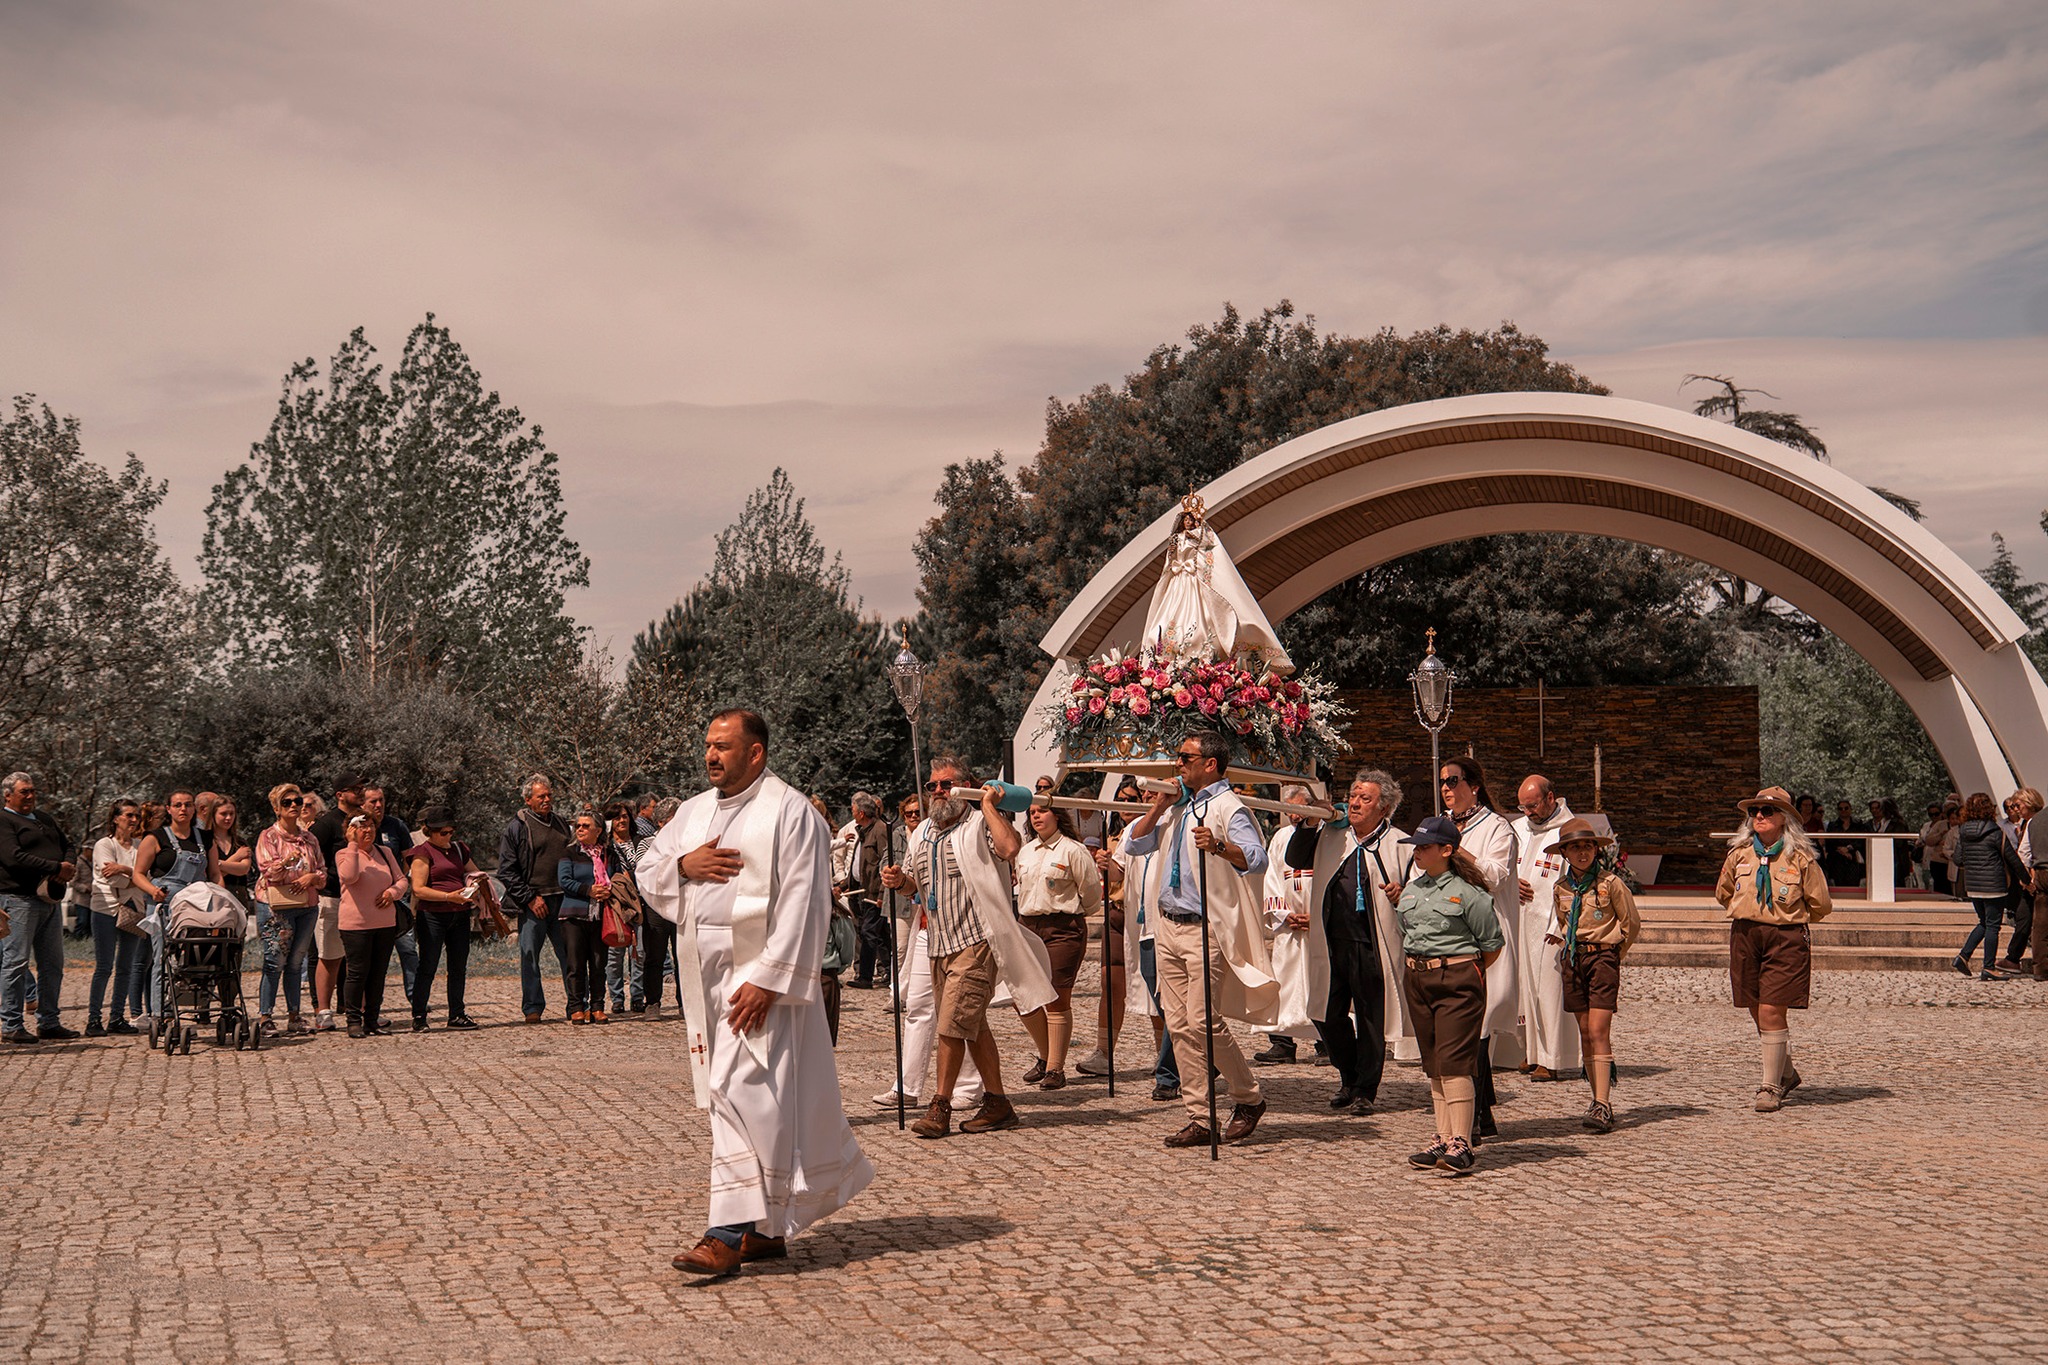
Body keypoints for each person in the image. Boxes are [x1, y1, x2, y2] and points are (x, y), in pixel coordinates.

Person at [638, 709, 873, 1279]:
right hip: (704, 974)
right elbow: (649, 870)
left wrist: (771, 977)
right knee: (749, 1096)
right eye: (708, 745)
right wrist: (684, 865)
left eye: (723, 746)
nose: (711, 755)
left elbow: (807, 900)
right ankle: (765, 1230)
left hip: (759, 976)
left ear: (756, 753)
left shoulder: (792, 812)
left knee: (741, 1092)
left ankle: (723, 1234)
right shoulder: (692, 812)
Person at [879, 756, 1056, 1140]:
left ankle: (939, 1105)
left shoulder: (979, 823)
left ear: (965, 787)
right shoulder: (922, 832)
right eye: (933, 786)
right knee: (972, 1026)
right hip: (938, 942)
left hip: (977, 940)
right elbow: (916, 888)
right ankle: (998, 1103)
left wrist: (989, 805)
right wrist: (899, 881)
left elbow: (1010, 849)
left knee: (951, 1025)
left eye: (947, 785)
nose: (939, 792)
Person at [1122, 731, 1278, 1148]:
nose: (1178, 763)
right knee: (1178, 1024)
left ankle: (1248, 1097)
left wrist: (1221, 846)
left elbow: (1257, 858)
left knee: (1202, 1020)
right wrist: (1159, 804)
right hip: (1168, 923)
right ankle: (1199, 1115)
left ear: (1210, 763)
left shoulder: (1230, 807)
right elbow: (1135, 844)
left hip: (1204, 927)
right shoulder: (1178, 807)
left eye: (1184, 756)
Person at [1283, 769, 1418, 1114]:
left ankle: (1365, 1090)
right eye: (1354, 796)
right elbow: (1295, 859)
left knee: (1372, 1017)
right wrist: (1312, 821)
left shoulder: (1399, 844)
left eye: (1365, 798)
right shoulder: (1332, 834)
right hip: (1331, 941)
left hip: (1373, 943)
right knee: (1326, 1014)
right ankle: (1349, 1075)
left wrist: (1402, 893)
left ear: (1384, 808)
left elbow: (1417, 891)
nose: (1355, 803)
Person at [1395, 814, 1504, 1177]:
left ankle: (1462, 1143)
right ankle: (1443, 1137)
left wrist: (1460, 969)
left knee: (1456, 1061)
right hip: (1419, 979)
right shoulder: (1412, 890)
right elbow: (1406, 930)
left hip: (1458, 978)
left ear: (1447, 850)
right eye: (1415, 848)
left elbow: (1491, 943)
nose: (1417, 854)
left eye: (1424, 848)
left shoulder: (1471, 894)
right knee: (1435, 1063)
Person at [1716, 786, 1832, 1113]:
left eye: (1768, 812)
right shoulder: (1739, 855)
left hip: (1785, 938)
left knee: (1770, 1010)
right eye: (1755, 812)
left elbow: (1820, 904)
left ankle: (1770, 1086)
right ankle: (1786, 1071)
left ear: (1785, 819)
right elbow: (1723, 893)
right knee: (1754, 1006)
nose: (1760, 817)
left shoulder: (1800, 858)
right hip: (1746, 934)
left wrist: (1786, 917)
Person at [1543, 817, 1640, 1133]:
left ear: (1595, 850)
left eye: (1587, 846)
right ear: (1565, 853)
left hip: (1602, 960)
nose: (1582, 852)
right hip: (1574, 960)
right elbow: (1562, 922)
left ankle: (1604, 1104)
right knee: (1585, 1031)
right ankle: (1595, 1099)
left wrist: (1612, 956)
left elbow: (1631, 924)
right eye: (1575, 847)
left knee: (1599, 1030)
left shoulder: (1610, 884)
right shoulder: (1561, 888)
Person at [1438, 755, 1518, 1133]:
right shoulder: (1442, 826)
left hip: (1486, 937)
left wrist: (1455, 847)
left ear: (1475, 785)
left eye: (1453, 781)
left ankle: (1474, 1118)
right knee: (1464, 1027)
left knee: (1479, 1025)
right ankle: (1481, 1116)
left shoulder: (1498, 827)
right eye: (1443, 782)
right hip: (1449, 935)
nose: (1446, 789)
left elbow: (1494, 876)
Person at [1013, 803, 1102, 1090]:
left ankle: (1055, 1068)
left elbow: (1091, 894)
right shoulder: (1025, 852)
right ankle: (1044, 1055)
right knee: (1023, 996)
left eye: (1042, 811)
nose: (1036, 816)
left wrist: (1070, 915)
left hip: (1063, 928)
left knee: (1056, 998)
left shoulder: (1073, 850)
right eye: (1032, 812)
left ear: (1058, 815)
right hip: (1029, 926)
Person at [1509, 774, 1580, 1081]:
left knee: (1549, 993)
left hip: (1551, 923)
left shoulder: (1570, 830)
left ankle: (1553, 1059)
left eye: (1533, 806)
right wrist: (1511, 884)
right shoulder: (1517, 827)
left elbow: (1575, 882)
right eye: (1523, 807)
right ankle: (1531, 1052)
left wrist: (1560, 924)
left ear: (1551, 798)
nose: (1528, 813)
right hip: (1521, 918)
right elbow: (1505, 864)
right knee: (1524, 990)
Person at [1, 772, 79, 1044]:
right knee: (16, 963)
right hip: (18, 900)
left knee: (53, 964)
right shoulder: (4, 820)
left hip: (49, 900)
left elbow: (69, 845)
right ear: (8, 795)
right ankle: (11, 1024)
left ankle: (49, 1021)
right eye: (25, 792)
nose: (31, 796)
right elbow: (13, 857)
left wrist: (66, 867)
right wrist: (55, 867)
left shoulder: (45, 819)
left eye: (33, 790)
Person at [499, 775, 574, 1024]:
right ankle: (532, 1007)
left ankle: (575, 1005)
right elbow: (507, 871)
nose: (546, 800)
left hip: (563, 900)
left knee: (569, 955)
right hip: (534, 904)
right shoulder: (517, 827)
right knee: (530, 954)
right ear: (527, 799)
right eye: (541, 796)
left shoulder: (562, 823)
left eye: (549, 795)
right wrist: (530, 898)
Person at [1254, 786, 1319, 1068]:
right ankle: (1282, 1043)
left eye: (1299, 809)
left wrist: (1316, 915)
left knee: (1318, 981)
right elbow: (1271, 878)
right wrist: (1283, 914)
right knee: (1285, 982)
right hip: (1290, 925)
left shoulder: (1326, 836)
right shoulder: (1280, 837)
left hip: (1317, 925)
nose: (1294, 815)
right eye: (1289, 809)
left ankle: (1326, 1042)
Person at [130, 789, 207, 1026]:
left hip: (195, 904)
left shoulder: (204, 838)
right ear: (169, 809)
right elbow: (138, 874)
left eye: (188, 805)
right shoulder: (155, 838)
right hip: (163, 904)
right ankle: (158, 1013)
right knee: (161, 958)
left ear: (194, 809)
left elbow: (214, 874)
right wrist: (153, 891)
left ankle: (194, 1008)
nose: (183, 809)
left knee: (194, 958)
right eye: (178, 805)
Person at [254, 784, 325, 1033]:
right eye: (287, 803)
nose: (294, 806)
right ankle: (265, 1016)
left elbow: (323, 872)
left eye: (297, 801)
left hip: (306, 905)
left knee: (296, 962)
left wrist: (312, 878)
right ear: (276, 808)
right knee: (274, 962)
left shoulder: (309, 838)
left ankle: (294, 1016)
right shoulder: (268, 836)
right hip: (276, 907)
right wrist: (287, 861)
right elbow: (269, 871)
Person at [405, 806, 481, 1031]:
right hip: (432, 916)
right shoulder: (422, 852)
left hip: (459, 914)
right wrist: (449, 896)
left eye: (450, 831)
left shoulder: (459, 849)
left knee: (458, 966)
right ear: (430, 831)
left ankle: (456, 1013)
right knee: (428, 965)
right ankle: (419, 1015)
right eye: (442, 833)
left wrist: (473, 888)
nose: (448, 836)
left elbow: (475, 874)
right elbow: (418, 889)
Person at [335, 814, 406, 1037]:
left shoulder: (384, 852)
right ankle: (353, 1020)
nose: (368, 831)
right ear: (350, 831)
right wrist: (353, 844)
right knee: (357, 973)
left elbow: (402, 880)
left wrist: (392, 893)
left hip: (385, 923)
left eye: (370, 826)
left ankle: (372, 1020)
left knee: (378, 973)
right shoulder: (344, 854)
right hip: (355, 924)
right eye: (361, 827)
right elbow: (350, 877)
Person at [307, 776, 368, 1032]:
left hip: (361, 899)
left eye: (362, 789)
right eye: (356, 789)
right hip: (332, 897)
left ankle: (364, 1011)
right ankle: (323, 1011)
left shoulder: (364, 821)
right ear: (340, 794)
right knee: (330, 957)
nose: (361, 793)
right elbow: (310, 854)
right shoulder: (326, 824)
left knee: (361, 958)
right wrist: (319, 880)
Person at [87, 800, 148, 1036]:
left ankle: (116, 1018)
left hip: (134, 910)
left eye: (136, 816)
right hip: (106, 909)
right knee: (104, 966)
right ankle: (94, 1019)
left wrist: (123, 869)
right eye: (129, 816)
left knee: (126, 967)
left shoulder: (140, 846)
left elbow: (147, 876)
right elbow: (110, 879)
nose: (133, 820)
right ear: (116, 818)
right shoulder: (105, 844)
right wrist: (136, 876)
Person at [557, 808, 621, 1024]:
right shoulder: (569, 853)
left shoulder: (609, 854)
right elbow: (564, 881)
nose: (580, 829)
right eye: (578, 826)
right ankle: (576, 1007)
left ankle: (597, 1007)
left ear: (598, 830)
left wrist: (609, 889)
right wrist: (589, 890)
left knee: (598, 963)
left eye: (586, 826)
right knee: (575, 964)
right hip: (574, 916)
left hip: (601, 916)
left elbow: (619, 878)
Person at [1952, 792, 2023, 980]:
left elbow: (1958, 859)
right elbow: (2012, 859)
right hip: (1994, 885)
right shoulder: (1995, 832)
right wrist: (2027, 880)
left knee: (1983, 923)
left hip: (1973, 885)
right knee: (1993, 926)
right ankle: (1989, 967)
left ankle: (1963, 956)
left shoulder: (1963, 832)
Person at [362, 784, 420, 1014]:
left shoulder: (396, 826)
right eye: (373, 801)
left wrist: (399, 881)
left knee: (408, 949)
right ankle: (372, 1006)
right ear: (362, 804)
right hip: (368, 902)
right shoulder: (358, 826)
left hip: (397, 898)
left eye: (381, 800)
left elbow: (409, 856)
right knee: (374, 956)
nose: (378, 805)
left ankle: (417, 999)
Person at [840, 792, 893, 991]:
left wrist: (881, 894)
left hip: (874, 894)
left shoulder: (879, 831)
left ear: (861, 813)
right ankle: (888, 971)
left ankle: (866, 977)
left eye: (853, 810)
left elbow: (885, 862)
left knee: (870, 932)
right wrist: (844, 885)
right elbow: (859, 866)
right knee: (877, 934)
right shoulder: (863, 832)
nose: (852, 813)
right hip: (863, 892)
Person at [638, 797, 683, 1014]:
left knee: (683, 956)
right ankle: (652, 1003)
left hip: (681, 905)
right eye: (673, 820)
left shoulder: (688, 842)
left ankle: (685, 1003)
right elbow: (645, 873)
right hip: (655, 908)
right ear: (661, 822)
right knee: (654, 957)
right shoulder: (648, 844)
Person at [1823, 799, 1867, 888]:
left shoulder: (1858, 825)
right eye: (1840, 809)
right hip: (1836, 861)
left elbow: (1861, 841)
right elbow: (1829, 843)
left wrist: (1849, 848)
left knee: (1853, 887)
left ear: (1850, 809)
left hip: (1854, 860)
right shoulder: (1832, 825)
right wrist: (1841, 850)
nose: (1843, 810)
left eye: (1846, 808)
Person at [1920, 801, 1955, 896]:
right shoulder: (1940, 825)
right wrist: (1940, 835)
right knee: (1940, 887)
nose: (1934, 816)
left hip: (1952, 862)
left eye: (1936, 814)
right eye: (1931, 814)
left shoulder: (1961, 828)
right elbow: (1929, 841)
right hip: (1938, 862)